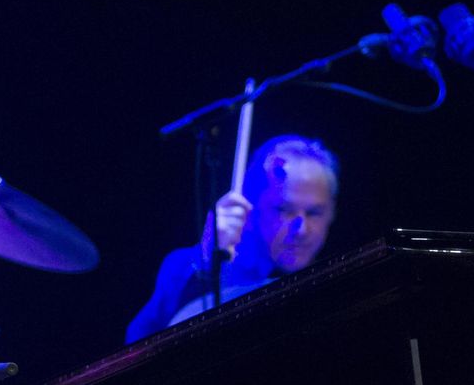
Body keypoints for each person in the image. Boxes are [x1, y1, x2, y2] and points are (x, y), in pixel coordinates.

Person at [125, 135, 339, 343]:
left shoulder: (336, 283)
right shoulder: (190, 265)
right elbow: (138, 344)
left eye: (314, 212)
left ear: (332, 213)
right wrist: (206, 266)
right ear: (250, 207)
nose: (300, 229)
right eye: (284, 210)